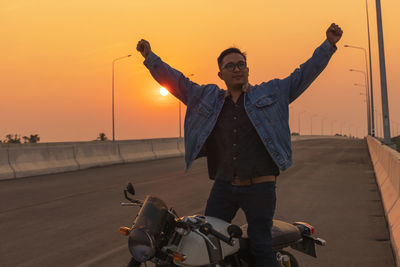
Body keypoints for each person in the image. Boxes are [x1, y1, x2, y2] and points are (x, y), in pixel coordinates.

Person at [137, 23, 343, 266]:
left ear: (247, 70)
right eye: (230, 66)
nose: (237, 69)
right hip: (224, 186)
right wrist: (150, 58)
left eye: (241, 64)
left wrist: (328, 45)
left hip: (260, 188)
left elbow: (302, 75)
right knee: (204, 242)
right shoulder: (208, 99)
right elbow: (178, 82)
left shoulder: (271, 93)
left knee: (261, 246)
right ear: (220, 74)